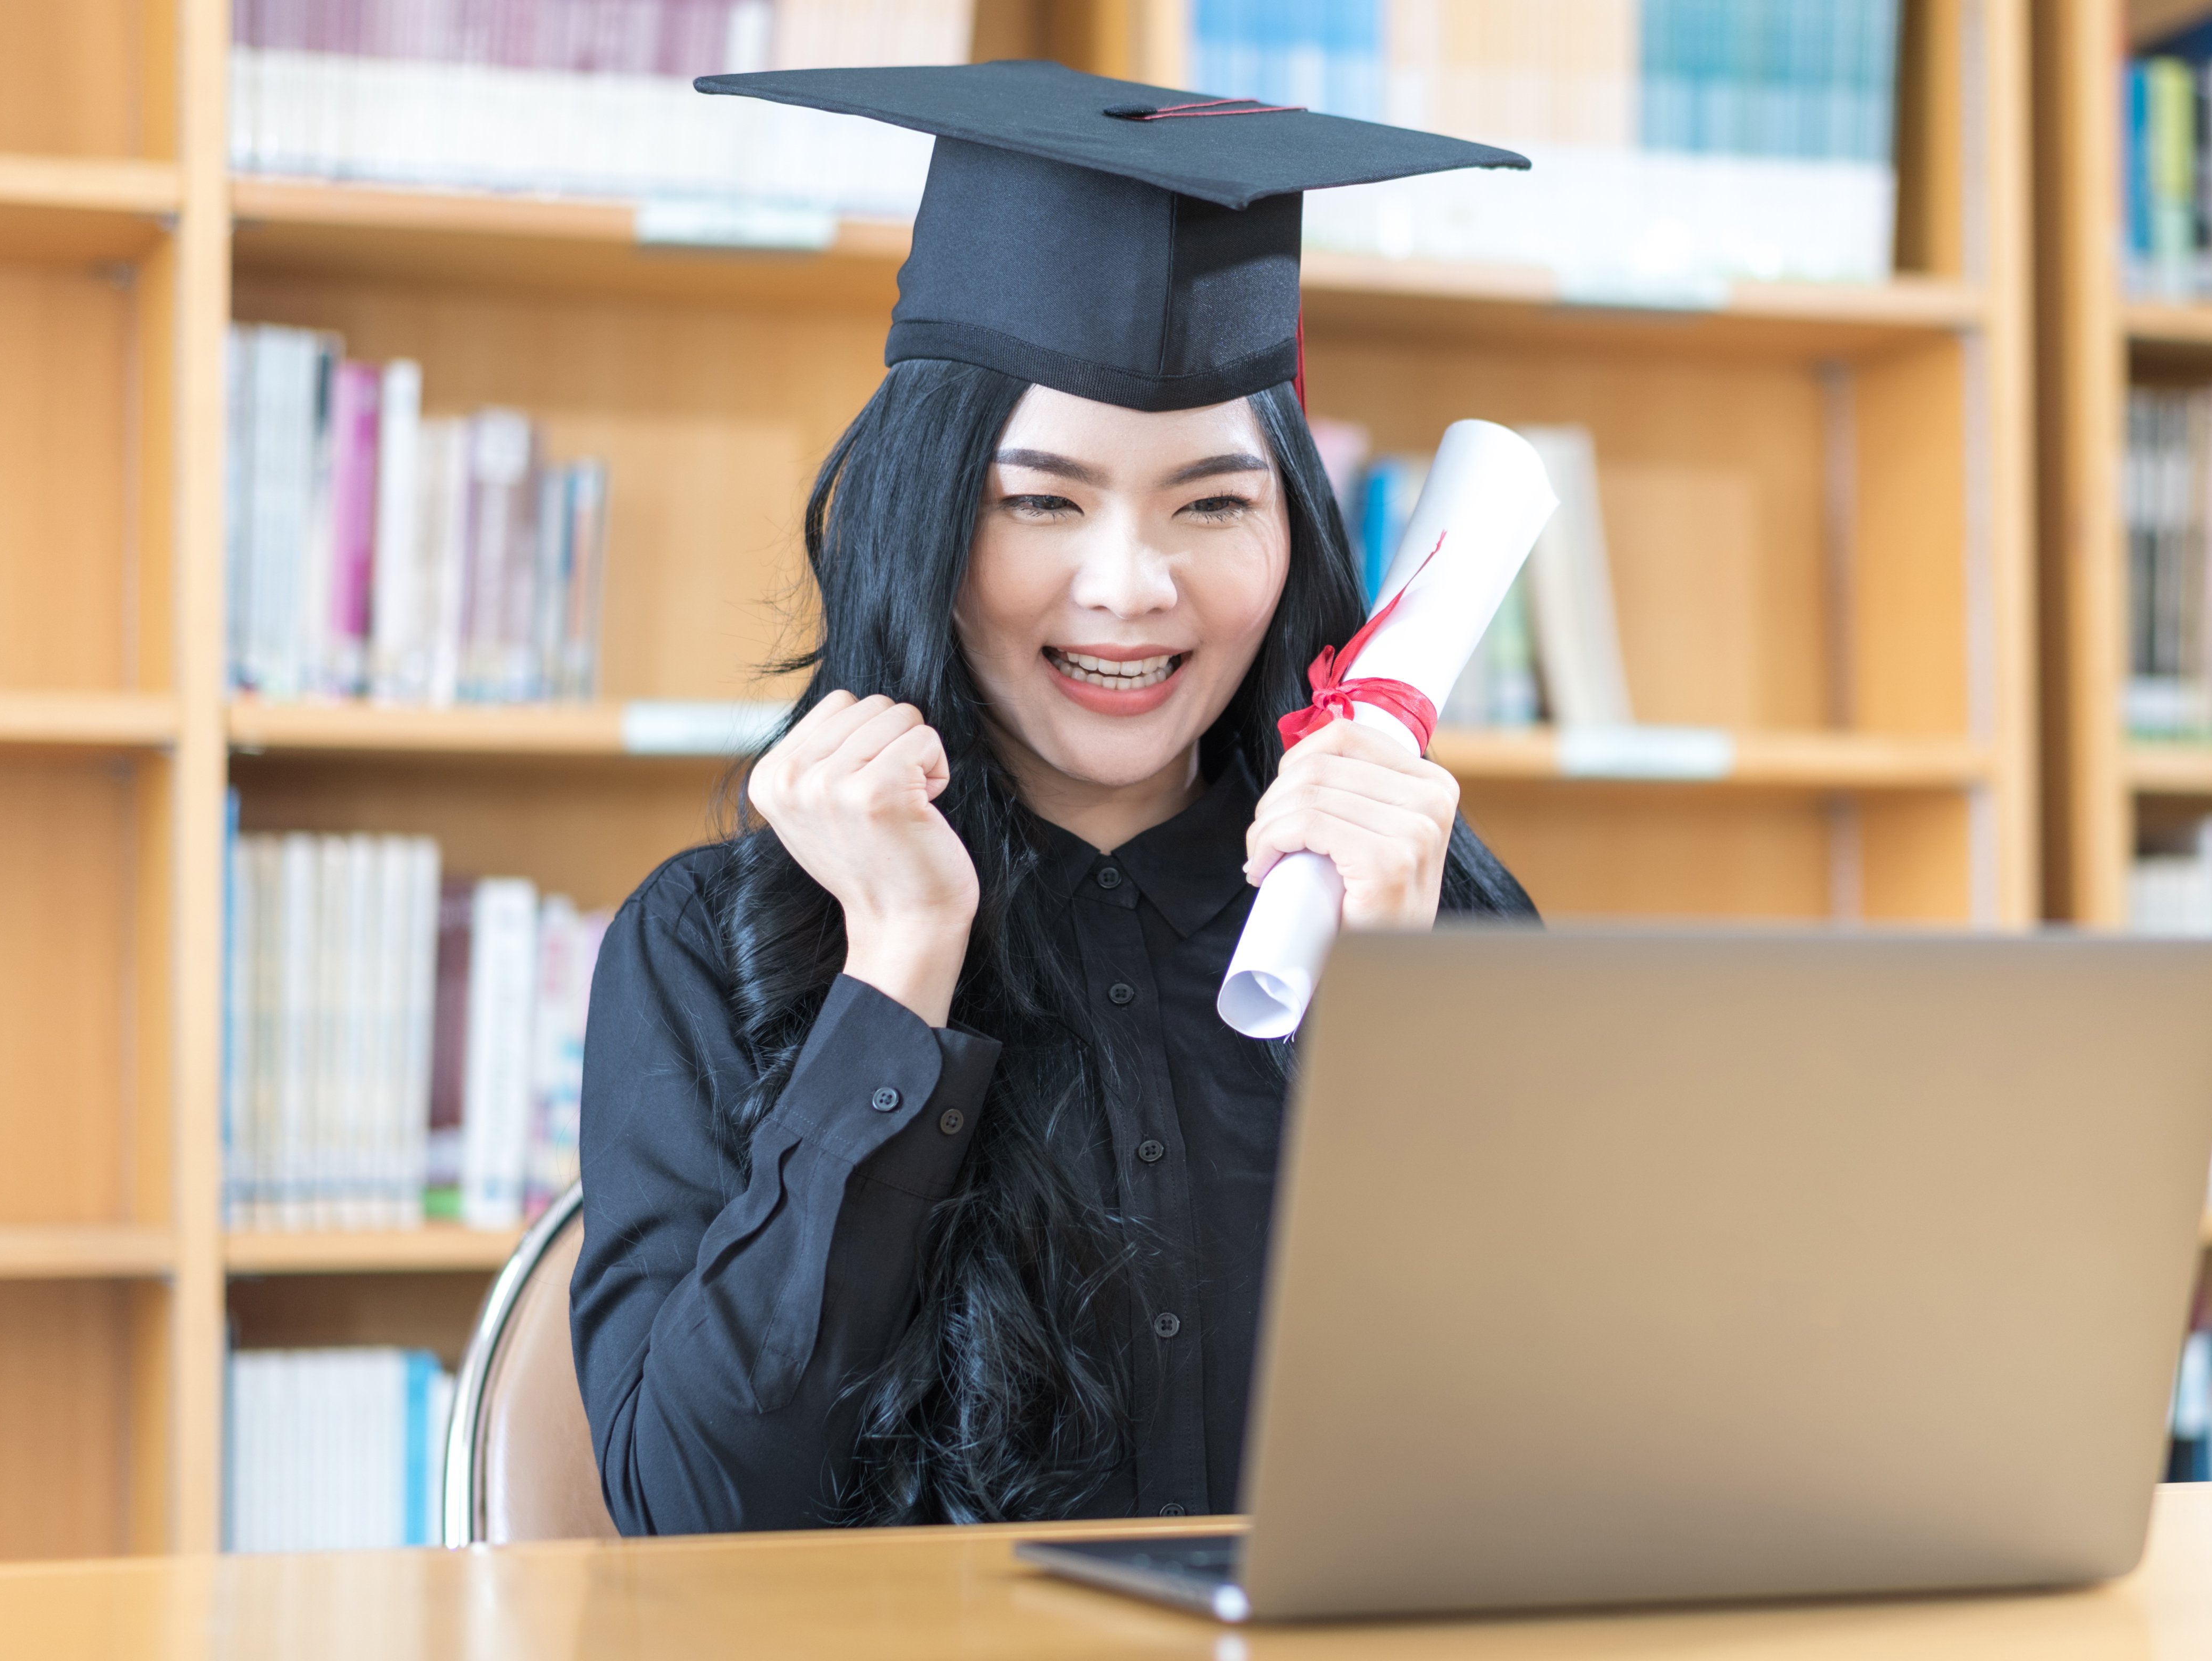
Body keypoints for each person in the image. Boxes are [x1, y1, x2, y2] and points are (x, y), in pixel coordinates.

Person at [570, 60, 1536, 1533]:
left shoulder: (1423, 906)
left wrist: (1392, 1024)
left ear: (1292, 532)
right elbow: (691, 1520)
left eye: (1213, 502)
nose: (1129, 588)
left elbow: (1536, 1475)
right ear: (932, 515)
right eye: (1042, 499)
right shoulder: (716, 945)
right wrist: (894, 971)